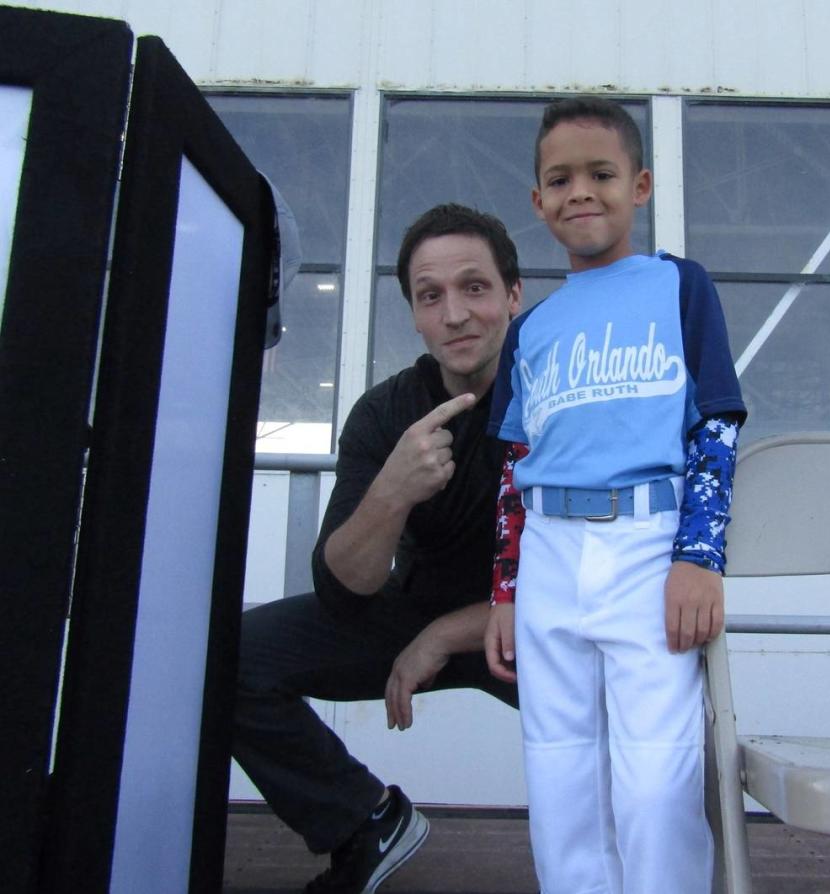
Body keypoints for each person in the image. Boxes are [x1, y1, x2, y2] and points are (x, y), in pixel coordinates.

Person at [484, 97, 747, 894]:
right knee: (560, 773)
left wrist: (699, 556)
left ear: (640, 185)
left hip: (648, 547)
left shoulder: (678, 285)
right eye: (559, 179)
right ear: (538, 201)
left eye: (601, 174)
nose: (580, 192)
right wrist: (505, 586)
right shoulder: (533, 327)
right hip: (552, 558)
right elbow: (514, 465)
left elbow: (718, 423)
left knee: (655, 776)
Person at [233, 203, 522, 894]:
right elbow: (343, 589)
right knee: (232, 660)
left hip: (532, 624)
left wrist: (445, 636)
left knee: (627, 681)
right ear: (415, 316)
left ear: (514, 295)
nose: (454, 314)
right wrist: (392, 491)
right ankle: (364, 821)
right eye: (431, 296)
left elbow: (593, 580)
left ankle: (633, 850)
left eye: (474, 288)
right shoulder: (388, 414)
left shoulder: (562, 397)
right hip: (411, 611)